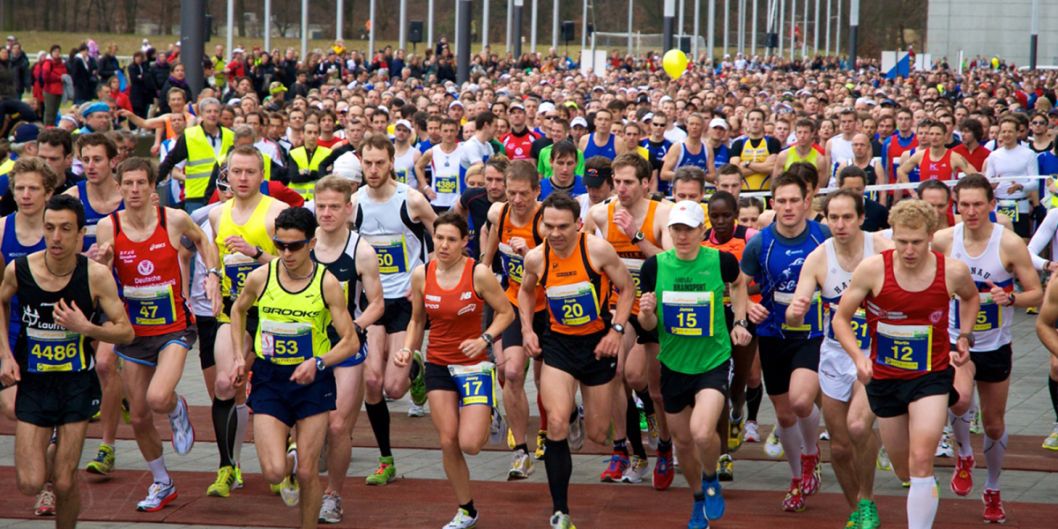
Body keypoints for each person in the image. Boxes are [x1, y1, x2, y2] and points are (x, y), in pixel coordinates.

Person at [831, 199, 979, 529]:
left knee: (922, 458)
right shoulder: (873, 269)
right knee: (904, 469)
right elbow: (841, 319)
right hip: (884, 378)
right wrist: (859, 357)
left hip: (931, 375)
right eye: (902, 242)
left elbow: (971, 297)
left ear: (931, 237)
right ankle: (922, 486)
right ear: (892, 236)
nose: (909, 250)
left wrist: (965, 335)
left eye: (916, 242)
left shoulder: (951, 271)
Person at [93, 157, 221, 511]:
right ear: (119, 188)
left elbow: (203, 241)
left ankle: (177, 407)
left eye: (141, 184)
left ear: (153, 187)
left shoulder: (173, 218)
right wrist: (101, 262)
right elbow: (102, 277)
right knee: (138, 416)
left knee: (158, 397)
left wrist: (212, 273)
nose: (134, 190)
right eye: (128, 184)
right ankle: (162, 482)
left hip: (174, 327)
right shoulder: (109, 226)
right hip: (133, 332)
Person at [0, 194, 135, 529]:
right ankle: (49, 452)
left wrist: (87, 327)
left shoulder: (96, 276)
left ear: (80, 235)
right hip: (34, 382)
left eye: (65, 229)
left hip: (77, 384)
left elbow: (126, 332)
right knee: (30, 483)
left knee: (63, 481)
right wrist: (4, 354)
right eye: (49, 228)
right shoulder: (20, 269)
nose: (56, 237)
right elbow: (1, 303)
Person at [229, 207, 360, 529]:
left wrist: (318, 362)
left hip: (312, 382)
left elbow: (350, 342)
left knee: (307, 472)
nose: (286, 253)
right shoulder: (261, 277)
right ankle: (289, 459)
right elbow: (237, 311)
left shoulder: (326, 284)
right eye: (280, 245)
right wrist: (237, 356)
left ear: (311, 243)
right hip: (270, 379)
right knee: (274, 472)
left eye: (295, 246)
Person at [929, 174, 1042, 523]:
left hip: (995, 343)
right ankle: (964, 453)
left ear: (991, 205)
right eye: (964, 205)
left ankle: (992, 487)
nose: (972, 211)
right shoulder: (944, 240)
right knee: (960, 400)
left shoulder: (1008, 244)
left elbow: (1036, 293)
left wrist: (1009, 298)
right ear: (955, 206)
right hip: (955, 338)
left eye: (978, 204)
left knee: (993, 425)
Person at [518, 192, 635, 529]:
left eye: (562, 227)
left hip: (598, 346)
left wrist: (616, 331)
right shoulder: (537, 258)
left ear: (579, 224)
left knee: (599, 434)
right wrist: (527, 329)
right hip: (559, 347)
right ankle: (560, 510)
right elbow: (526, 292)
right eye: (549, 226)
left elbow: (626, 288)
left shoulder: (596, 250)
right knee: (555, 423)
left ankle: (579, 414)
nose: (554, 233)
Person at [396, 212, 514, 529]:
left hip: (474, 365)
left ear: (465, 242)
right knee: (448, 440)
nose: (444, 245)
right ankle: (466, 509)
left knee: (470, 444)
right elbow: (418, 320)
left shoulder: (478, 274)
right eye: (439, 238)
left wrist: (485, 339)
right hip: (438, 364)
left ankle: (490, 412)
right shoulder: (422, 274)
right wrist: (409, 348)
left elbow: (506, 312)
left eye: (451, 239)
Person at [638, 199, 752, 529]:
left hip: (713, 361)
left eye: (689, 230)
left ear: (701, 231)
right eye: (677, 230)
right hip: (673, 365)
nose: (683, 236)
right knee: (684, 443)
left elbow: (739, 283)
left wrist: (740, 321)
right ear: (669, 231)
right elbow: (648, 327)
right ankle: (698, 496)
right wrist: (646, 313)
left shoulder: (720, 261)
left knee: (702, 433)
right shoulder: (655, 267)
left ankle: (712, 475)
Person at [785, 189, 894, 528]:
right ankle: (859, 508)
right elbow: (794, 313)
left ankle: (867, 502)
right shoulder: (819, 258)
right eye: (833, 217)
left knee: (859, 425)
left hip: (874, 354)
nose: (840, 224)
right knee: (841, 447)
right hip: (834, 356)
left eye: (848, 217)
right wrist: (796, 311)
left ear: (861, 218)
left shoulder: (881, 249)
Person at [739, 172, 830, 512]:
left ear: (807, 201)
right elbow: (737, 283)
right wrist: (748, 305)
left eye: (795, 200)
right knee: (785, 414)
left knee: (802, 401)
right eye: (782, 201)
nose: (789, 207)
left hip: (813, 334)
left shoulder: (823, 236)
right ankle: (796, 478)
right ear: (772, 204)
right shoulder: (761, 243)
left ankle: (810, 454)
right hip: (773, 335)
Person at [583, 152, 674, 487]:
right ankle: (625, 449)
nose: (621, 188)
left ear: (646, 183)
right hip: (619, 307)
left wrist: (637, 236)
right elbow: (587, 255)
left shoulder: (662, 214)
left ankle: (664, 443)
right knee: (616, 371)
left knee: (649, 384)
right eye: (617, 182)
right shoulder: (599, 214)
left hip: (655, 307)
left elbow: (673, 262)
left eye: (628, 182)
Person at [352, 133, 436, 484]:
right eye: (367, 163)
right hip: (371, 301)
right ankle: (386, 459)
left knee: (394, 388)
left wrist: (435, 281)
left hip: (405, 301)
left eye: (380, 163)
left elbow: (439, 234)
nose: (373, 170)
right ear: (360, 162)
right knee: (372, 381)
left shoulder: (412, 200)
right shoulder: (353, 202)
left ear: (391, 164)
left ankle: (415, 369)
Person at [206, 145, 288, 498]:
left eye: (249, 172)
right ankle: (228, 467)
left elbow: (295, 265)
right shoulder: (216, 214)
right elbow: (210, 249)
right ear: (227, 174)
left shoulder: (277, 214)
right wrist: (211, 275)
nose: (242, 178)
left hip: (274, 315)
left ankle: (284, 465)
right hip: (233, 313)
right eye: (235, 172)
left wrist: (257, 254)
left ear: (261, 174)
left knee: (281, 389)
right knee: (226, 385)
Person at [311, 176, 385, 524]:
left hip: (346, 348)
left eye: (334, 207)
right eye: (321, 206)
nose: (326, 213)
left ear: (348, 209)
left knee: (339, 426)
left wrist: (353, 328)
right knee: (307, 426)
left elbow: (377, 305)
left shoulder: (362, 251)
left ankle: (333, 495)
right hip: (304, 347)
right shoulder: (303, 246)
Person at [63, 133, 126, 478]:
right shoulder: (71, 199)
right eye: (84, 160)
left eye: (97, 159)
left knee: (104, 365)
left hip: (122, 296)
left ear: (112, 161)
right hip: (83, 296)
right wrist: (80, 255)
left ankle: (107, 446)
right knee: (90, 371)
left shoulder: (127, 197)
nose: (90, 166)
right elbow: (54, 243)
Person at [482, 159, 549, 475]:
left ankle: (563, 422)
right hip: (513, 304)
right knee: (510, 373)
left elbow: (561, 270)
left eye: (524, 194)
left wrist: (530, 255)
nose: (518, 201)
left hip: (549, 310)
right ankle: (521, 450)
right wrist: (480, 275)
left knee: (545, 382)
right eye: (512, 193)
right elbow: (490, 251)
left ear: (537, 190)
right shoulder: (502, 213)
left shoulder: (546, 222)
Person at [0, 158, 58, 515]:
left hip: (53, 334)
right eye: (19, 188)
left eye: (33, 188)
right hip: (15, 331)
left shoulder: (60, 229)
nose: (25, 194)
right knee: (11, 406)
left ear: (48, 192)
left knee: (47, 413)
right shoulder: (3, 229)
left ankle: (50, 485)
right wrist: (4, 352)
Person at [158, 98, 235, 213]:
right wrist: (153, 183)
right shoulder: (190, 135)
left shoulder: (231, 136)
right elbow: (170, 160)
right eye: (208, 112)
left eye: (215, 111)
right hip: (197, 196)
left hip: (224, 194)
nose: (212, 115)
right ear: (201, 114)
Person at [985, 116, 1039, 239]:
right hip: (1000, 204)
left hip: (1020, 205)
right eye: (1003, 131)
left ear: (1017, 133)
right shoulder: (994, 155)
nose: (1006, 134)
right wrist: (992, 185)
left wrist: (1020, 186)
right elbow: (988, 181)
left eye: (1010, 131)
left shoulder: (1028, 154)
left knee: (1021, 240)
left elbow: (1035, 183)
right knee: (1000, 241)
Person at [416, 117, 462, 212]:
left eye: (452, 131)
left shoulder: (463, 150)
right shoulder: (432, 152)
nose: (449, 134)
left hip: (456, 202)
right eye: (445, 131)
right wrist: (425, 187)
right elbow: (418, 166)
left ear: (457, 132)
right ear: (440, 132)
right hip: (437, 202)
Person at [730, 108, 781, 192]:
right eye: (752, 119)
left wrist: (747, 163)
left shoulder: (772, 142)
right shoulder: (738, 143)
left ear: (764, 122)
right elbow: (735, 172)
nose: (755, 122)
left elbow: (772, 168)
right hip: (744, 193)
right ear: (747, 122)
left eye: (758, 119)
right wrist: (762, 165)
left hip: (766, 192)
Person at [661, 114, 713, 193]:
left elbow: (713, 176)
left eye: (697, 124)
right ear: (687, 126)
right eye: (692, 124)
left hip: (698, 192)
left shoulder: (707, 148)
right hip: (679, 192)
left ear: (703, 127)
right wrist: (686, 176)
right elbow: (664, 174)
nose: (694, 127)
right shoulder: (677, 147)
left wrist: (698, 176)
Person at [775, 118, 830, 188]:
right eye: (799, 132)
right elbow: (777, 182)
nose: (802, 136)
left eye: (805, 132)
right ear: (795, 134)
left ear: (812, 134)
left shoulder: (820, 159)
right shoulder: (783, 156)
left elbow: (820, 186)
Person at [287, 121, 333, 200]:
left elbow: (327, 177)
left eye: (315, 133)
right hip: (297, 198)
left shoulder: (328, 153)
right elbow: (294, 177)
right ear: (302, 134)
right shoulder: (294, 153)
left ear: (319, 134)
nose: (313, 136)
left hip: (319, 198)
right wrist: (317, 173)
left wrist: (307, 172)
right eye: (309, 132)